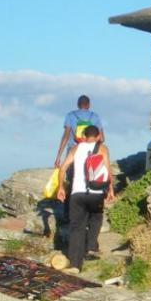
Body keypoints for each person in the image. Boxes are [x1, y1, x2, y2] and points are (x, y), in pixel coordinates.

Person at [56, 125, 116, 272]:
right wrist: (111, 189)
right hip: (96, 193)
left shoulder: (75, 149)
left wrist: (61, 188)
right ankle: (90, 247)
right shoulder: (103, 148)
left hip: (77, 194)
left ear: (83, 135)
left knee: (77, 227)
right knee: (96, 218)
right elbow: (108, 170)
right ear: (98, 136)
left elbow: (63, 168)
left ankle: (75, 265)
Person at [54, 95, 103, 168]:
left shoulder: (70, 115)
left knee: (71, 176)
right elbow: (101, 138)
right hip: (90, 151)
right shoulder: (95, 116)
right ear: (89, 105)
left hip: (73, 149)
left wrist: (58, 157)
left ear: (78, 104)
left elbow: (66, 137)